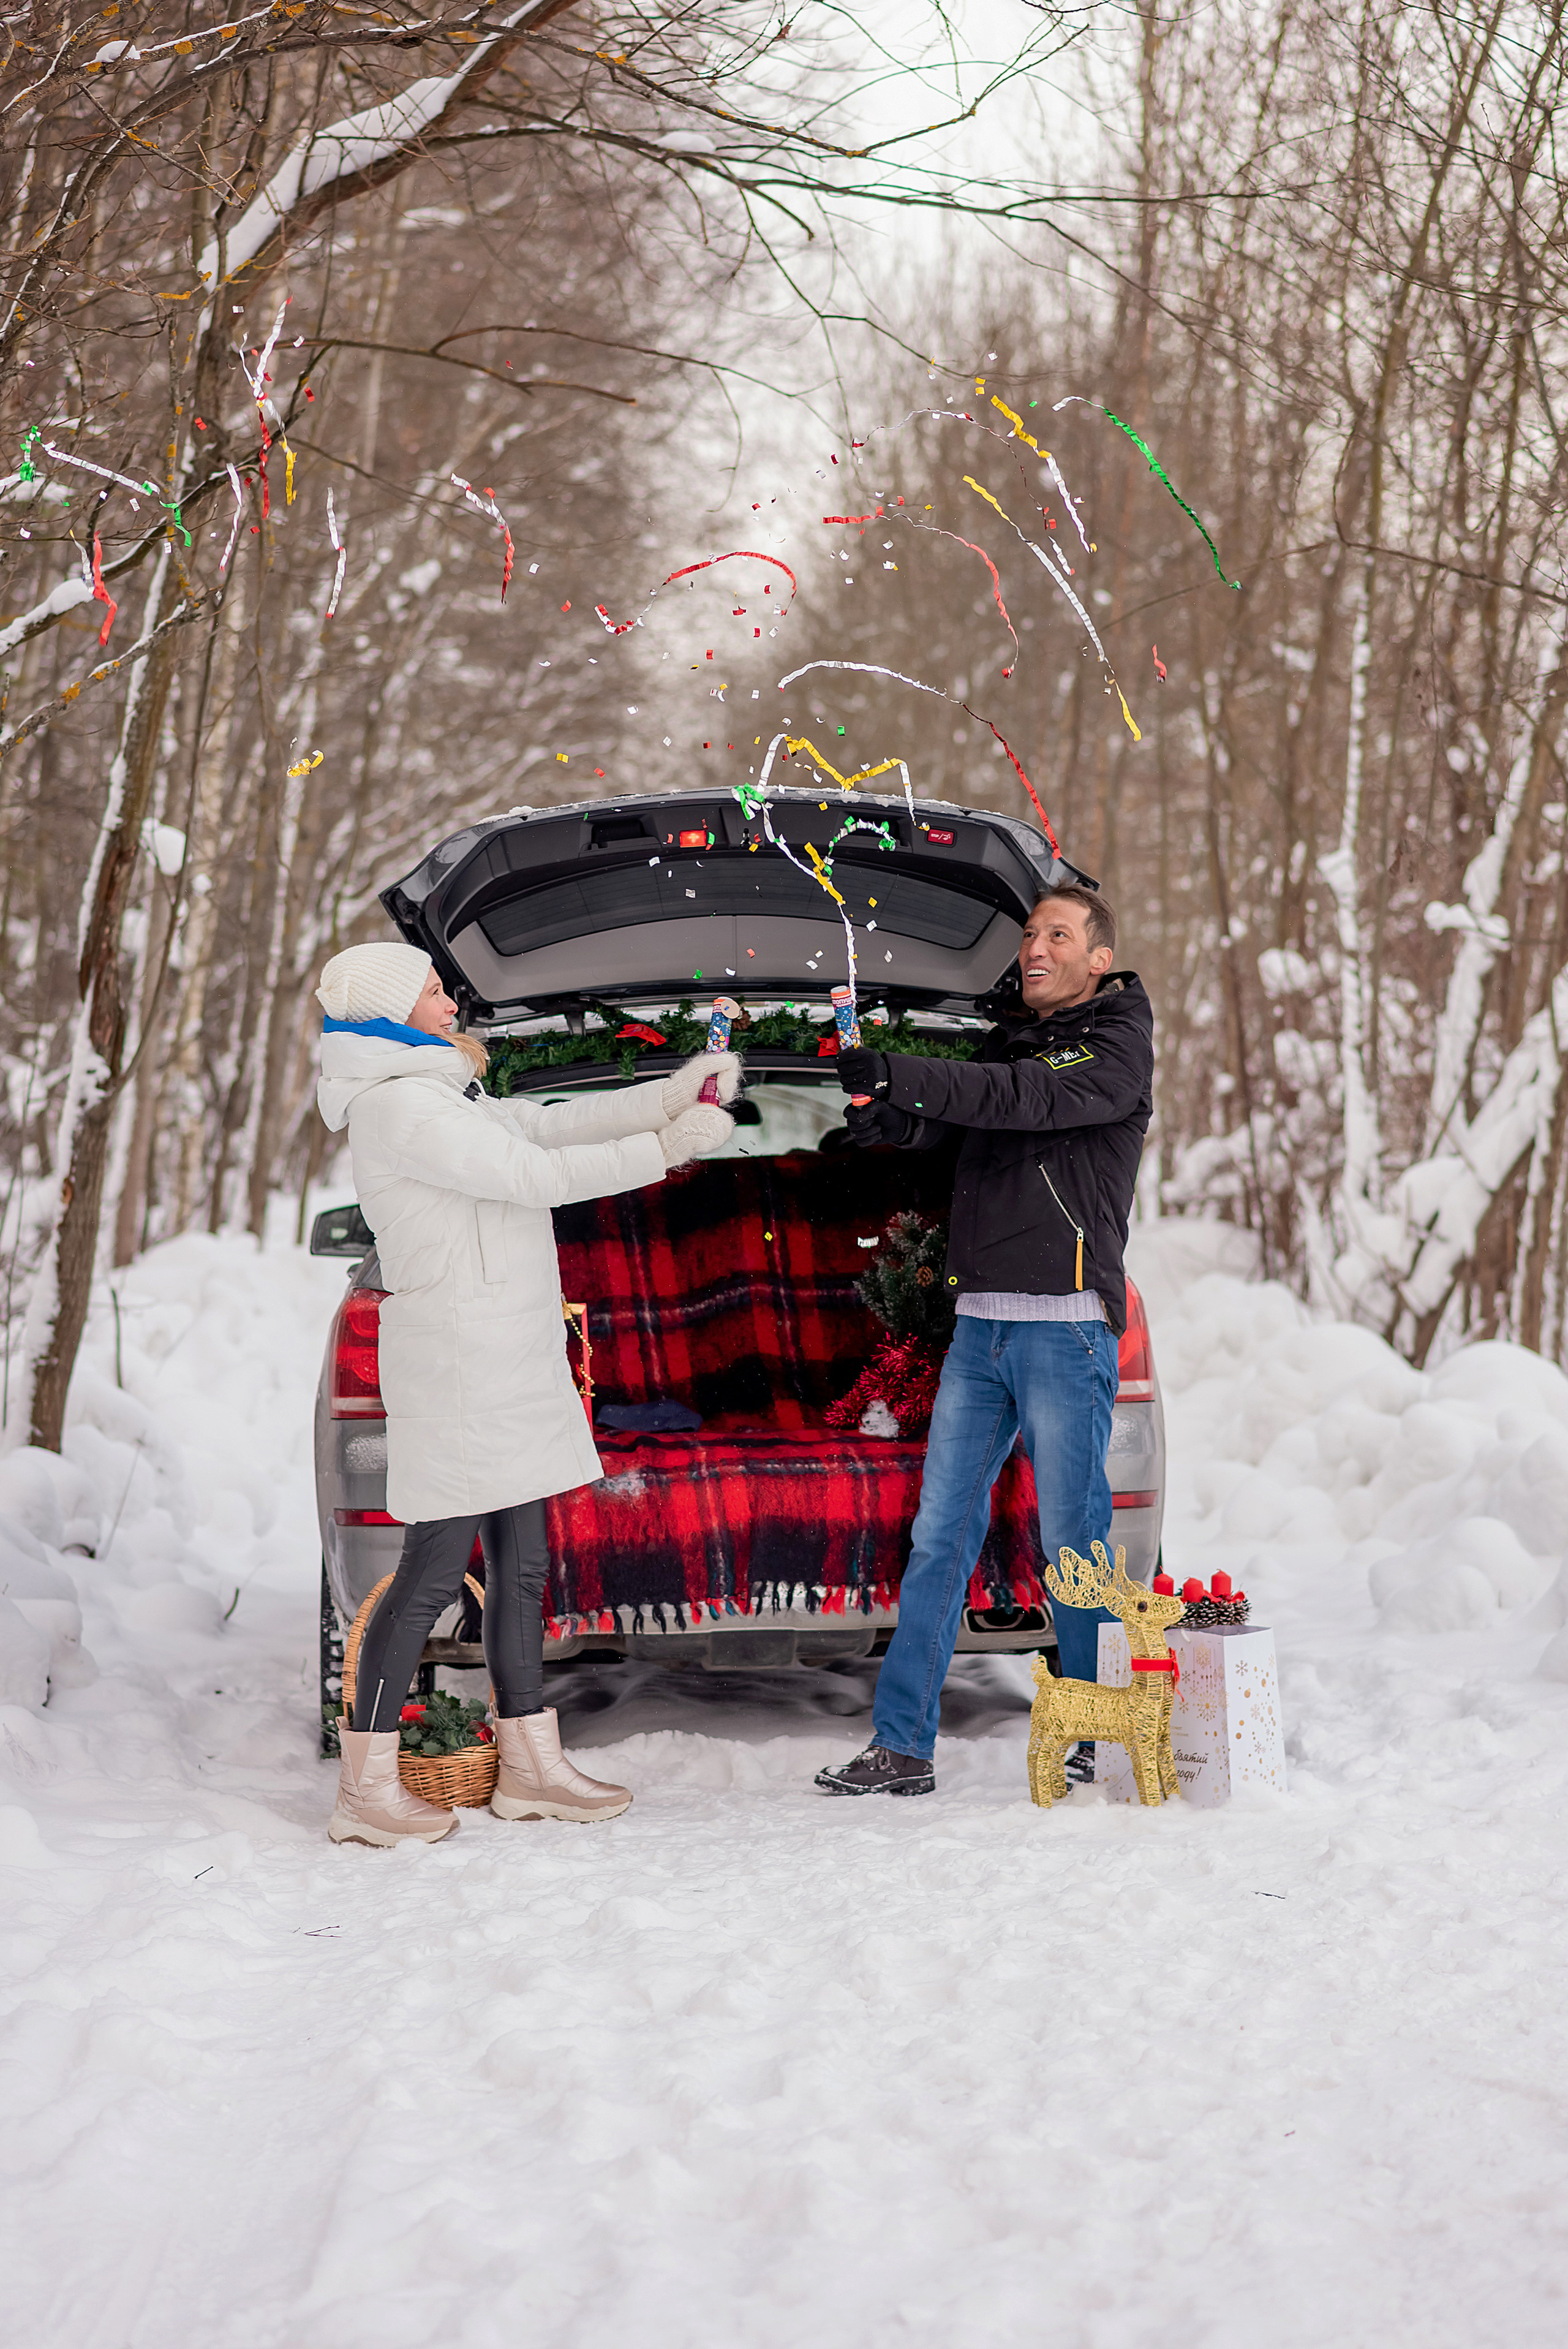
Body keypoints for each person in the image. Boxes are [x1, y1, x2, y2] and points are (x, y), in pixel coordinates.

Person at [314, 940, 739, 1846]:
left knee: (524, 1563)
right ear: (390, 1008)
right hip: (461, 1366)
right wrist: (668, 1148)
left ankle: (530, 1767)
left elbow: (541, 1125)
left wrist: (668, 1093)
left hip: (508, 1356)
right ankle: (366, 1786)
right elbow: (534, 1176)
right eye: (430, 986)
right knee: (431, 1574)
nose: (446, 994)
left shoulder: (439, 1089)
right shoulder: (397, 1108)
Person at [814, 885, 1153, 1798]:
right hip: (980, 1330)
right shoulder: (1011, 1043)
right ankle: (902, 1744)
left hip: (1067, 1330)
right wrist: (890, 1118)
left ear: (1096, 960)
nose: (1035, 947)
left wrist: (898, 1067)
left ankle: (1088, 1731)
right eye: (1030, 934)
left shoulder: (1113, 1048)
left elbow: (1023, 1100)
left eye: (1058, 934)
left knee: (1073, 1543)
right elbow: (970, 1124)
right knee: (939, 1539)